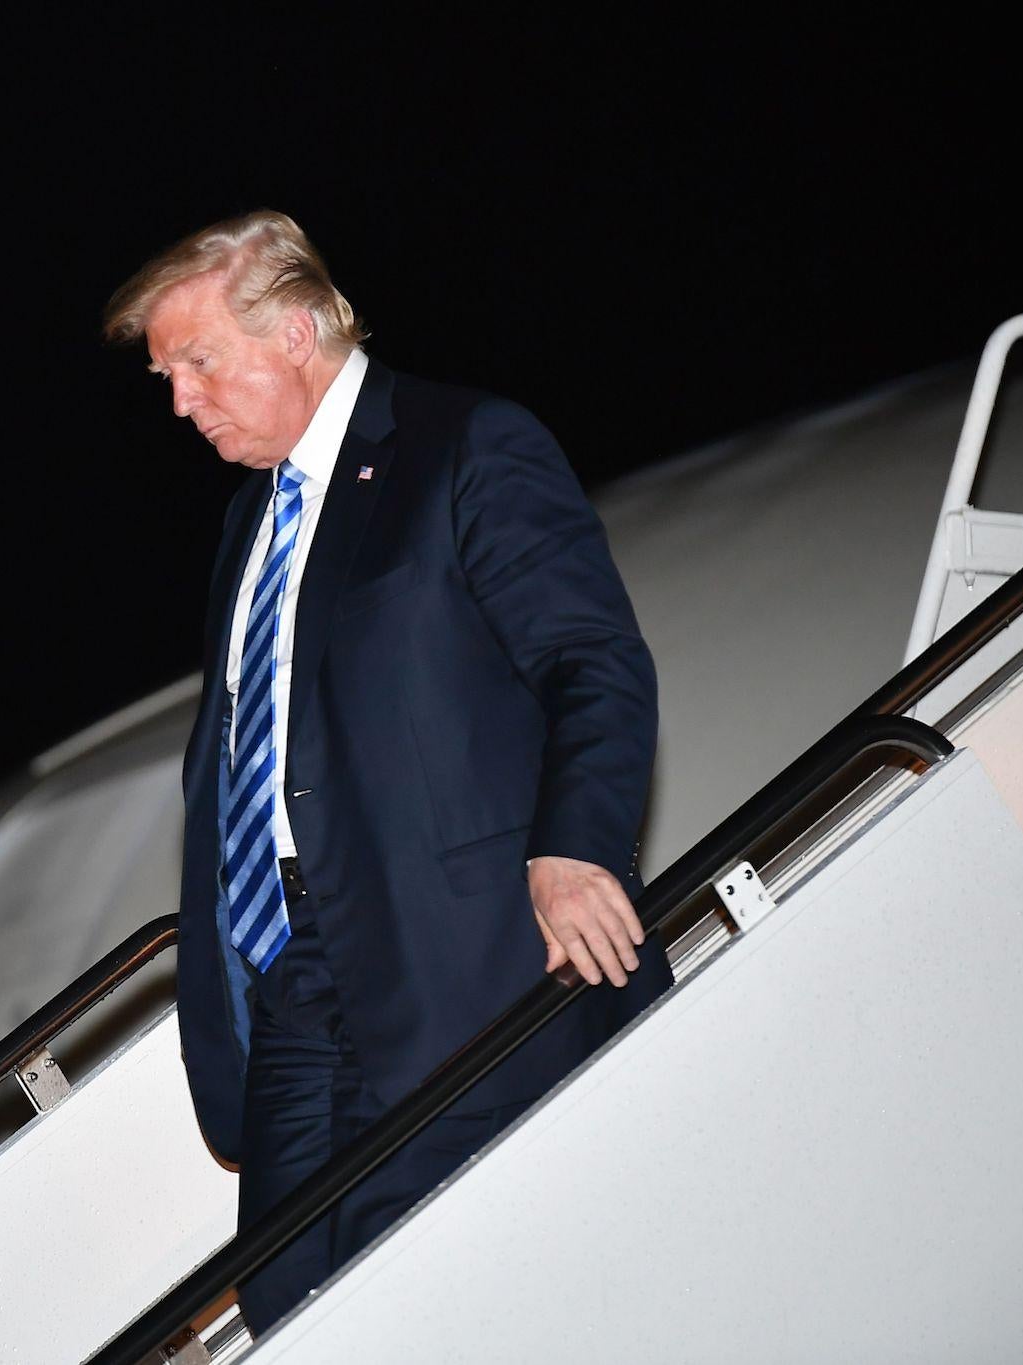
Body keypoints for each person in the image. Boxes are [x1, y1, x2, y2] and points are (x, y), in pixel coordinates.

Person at [103, 210, 672, 1334]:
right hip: (293, 985)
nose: (179, 401)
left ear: (299, 331)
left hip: (462, 966)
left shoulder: (463, 447)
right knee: (282, 1303)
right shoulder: (246, 523)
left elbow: (591, 659)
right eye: (167, 376)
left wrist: (576, 846)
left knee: (438, 1303)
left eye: (198, 362)